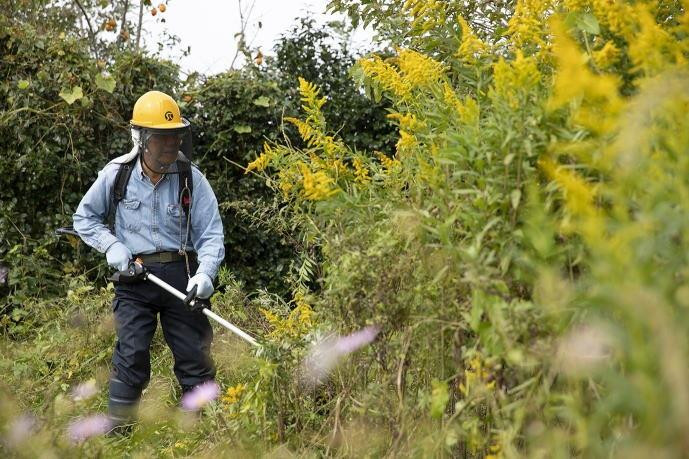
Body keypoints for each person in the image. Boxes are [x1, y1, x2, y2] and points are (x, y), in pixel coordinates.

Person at [73, 90, 225, 431]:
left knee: (194, 356)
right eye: (162, 138)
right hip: (135, 278)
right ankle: (119, 434)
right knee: (132, 353)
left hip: (182, 278)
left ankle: (203, 434)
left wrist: (205, 274)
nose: (171, 145)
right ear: (141, 138)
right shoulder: (117, 174)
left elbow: (211, 234)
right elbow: (85, 218)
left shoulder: (191, 178)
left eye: (175, 137)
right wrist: (111, 246)